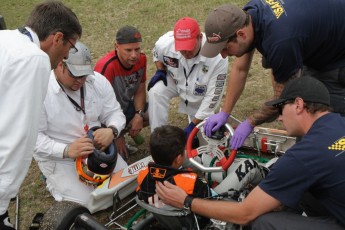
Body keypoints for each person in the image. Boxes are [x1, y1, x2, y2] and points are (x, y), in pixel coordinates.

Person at [156, 77, 345, 229]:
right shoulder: (340, 123)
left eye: (280, 109)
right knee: (300, 189)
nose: (278, 117)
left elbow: (244, 214)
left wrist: (187, 201)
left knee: (263, 222)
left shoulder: (303, 156)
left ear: (298, 104)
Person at [202, 1, 345, 150]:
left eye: (225, 49)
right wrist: (225, 112)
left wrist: (250, 122)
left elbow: (282, 99)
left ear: (241, 34)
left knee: (327, 128)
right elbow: (240, 69)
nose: (224, 56)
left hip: (339, 57)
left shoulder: (281, 42)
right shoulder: (249, 14)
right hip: (318, 37)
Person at [0, 1, 82, 229]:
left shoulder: (5, 38)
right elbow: (19, 135)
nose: (67, 55)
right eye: (70, 46)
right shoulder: (34, 60)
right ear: (57, 38)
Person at [34, 41, 127, 207]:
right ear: (60, 65)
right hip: (60, 157)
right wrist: (67, 150)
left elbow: (115, 113)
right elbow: (33, 139)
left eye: (84, 75)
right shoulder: (39, 91)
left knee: (124, 185)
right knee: (89, 203)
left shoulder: (97, 81)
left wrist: (112, 130)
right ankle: (53, 183)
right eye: (75, 75)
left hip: (97, 150)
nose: (80, 81)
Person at [147, 17, 228, 137]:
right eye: (181, 49)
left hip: (200, 91)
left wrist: (193, 125)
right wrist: (160, 70)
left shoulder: (217, 56)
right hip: (175, 80)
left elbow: (213, 97)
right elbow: (156, 53)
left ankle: (195, 125)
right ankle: (158, 136)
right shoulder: (164, 44)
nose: (185, 53)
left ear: (200, 37)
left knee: (202, 136)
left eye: (189, 47)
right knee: (156, 91)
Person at [136, 125, 211, 228]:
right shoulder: (191, 182)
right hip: (192, 221)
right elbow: (209, 198)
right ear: (179, 159)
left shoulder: (142, 175)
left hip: (164, 217)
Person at [94, 26, 148, 160]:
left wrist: (138, 115)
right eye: (128, 50)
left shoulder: (142, 59)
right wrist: (115, 134)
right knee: (106, 158)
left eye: (137, 49)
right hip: (105, 116)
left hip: (124, 108)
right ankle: (114, 139)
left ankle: (124, 131)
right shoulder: (106, 67)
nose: (134, 55)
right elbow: (96, 108)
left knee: (151, 112)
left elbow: (140, 89)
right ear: (116, 46)